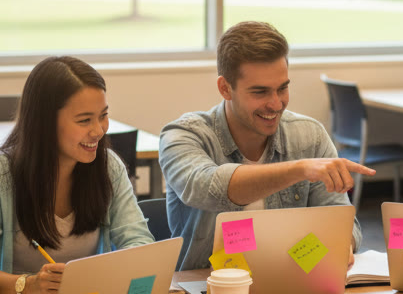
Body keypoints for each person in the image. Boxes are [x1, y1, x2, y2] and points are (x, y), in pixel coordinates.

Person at [160, 20, 373, 270]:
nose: (276, 104)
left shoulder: (309, 136)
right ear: (225, 88)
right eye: (260, 92)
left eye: (282, 88)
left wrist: (337, 245)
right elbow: (209, 186)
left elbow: (342, 226)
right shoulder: (183, 136)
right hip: (208, 292)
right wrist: (300, 169)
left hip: (293, 287)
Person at [0, 56, 153, 294]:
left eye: (103, 115)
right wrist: (27, 285)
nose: (98, 130)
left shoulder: (108, 166)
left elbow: (138, 242)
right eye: (84, 120)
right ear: (45, 123)